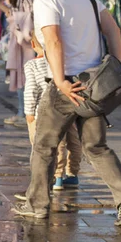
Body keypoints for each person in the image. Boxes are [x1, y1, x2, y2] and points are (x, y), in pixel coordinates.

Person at [14, 0, 121, 226]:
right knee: (96, 146)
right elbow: (114, 30)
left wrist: (60, 80)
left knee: (44, 146)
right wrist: (113, 66)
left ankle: (37, 204)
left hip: (66, 85)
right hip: (95, 85)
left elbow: (53, 40)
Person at [21, 33, 82, 192]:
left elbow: (31, 90)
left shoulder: (32, 65)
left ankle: (54, 178)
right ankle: (71, 174)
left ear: (33, 46)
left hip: (43, 113)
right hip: (67, 108)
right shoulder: (60, 63)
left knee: (42, 146)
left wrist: (29, 112)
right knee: (72, 142)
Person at [0, 0, 37, 124]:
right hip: (21, 37)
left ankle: (26, 113)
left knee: (25, 75)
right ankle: (22, 112)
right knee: (21, 75)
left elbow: (31, 14)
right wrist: (0, 5)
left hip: (26, 38)